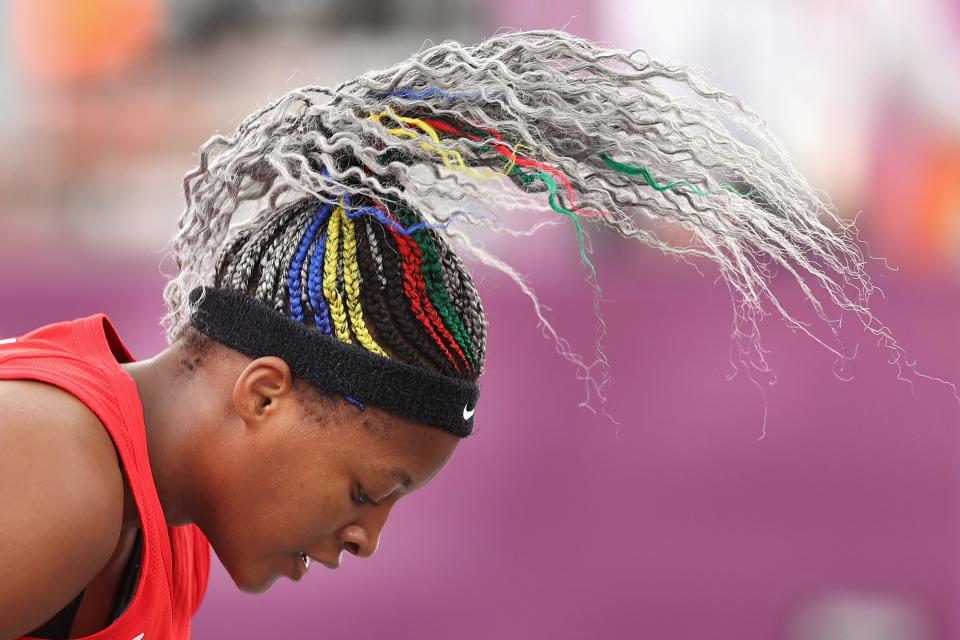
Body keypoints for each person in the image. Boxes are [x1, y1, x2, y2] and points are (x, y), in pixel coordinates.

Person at [0, 29, 895, 639]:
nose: (365, 540)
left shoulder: (164, 526)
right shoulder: (60, 471)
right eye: (366, 487)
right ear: (263, 394)